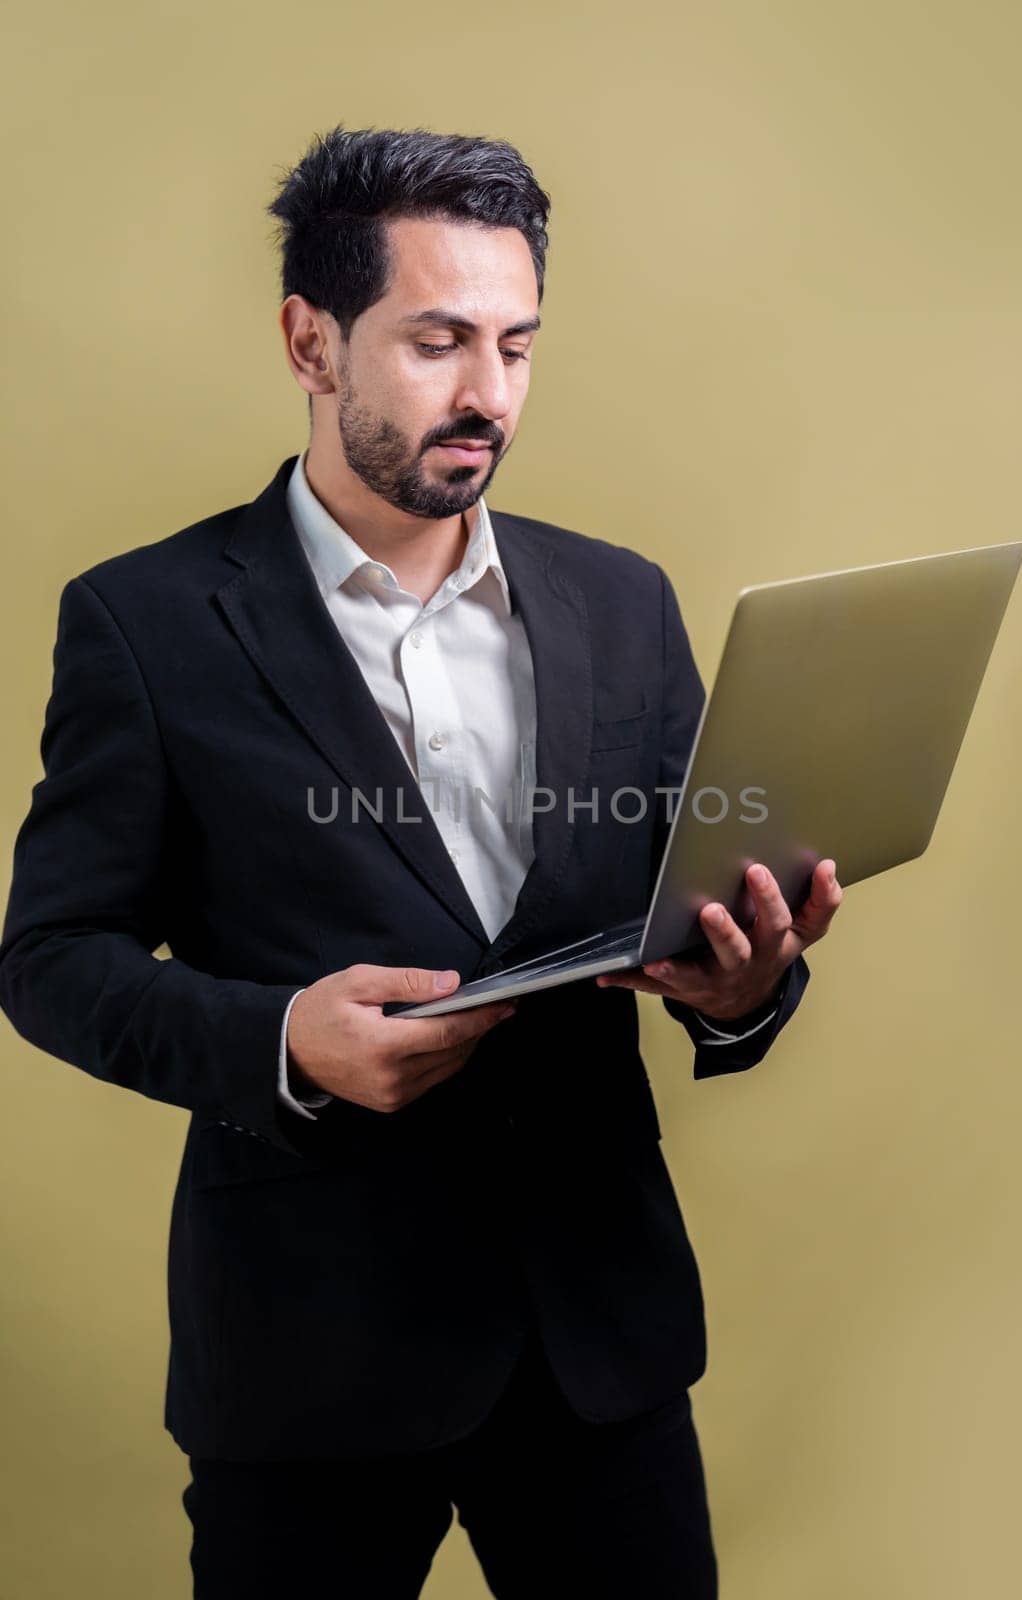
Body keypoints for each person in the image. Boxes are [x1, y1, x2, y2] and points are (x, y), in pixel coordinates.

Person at [0, 125, 842, 1598]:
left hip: (601, 1342)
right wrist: (279, 1043)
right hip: (309, 1354)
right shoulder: (146, 625)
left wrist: (744, 986)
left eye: (517, 345)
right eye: (438, 341)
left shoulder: (622, 603)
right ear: (309, 341)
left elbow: (695, 905)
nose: (488, 397)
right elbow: (50, 959)